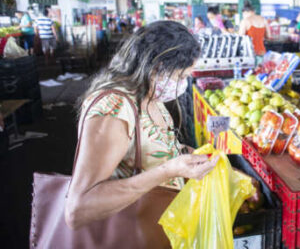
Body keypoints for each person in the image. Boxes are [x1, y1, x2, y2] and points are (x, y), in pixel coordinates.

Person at [65, 21, 219, 229]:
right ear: (156, 67)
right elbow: (79, 209)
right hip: (130, 232)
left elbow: (147, 149)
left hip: (157, 227)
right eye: (181, 76)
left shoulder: (149, 95)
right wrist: (168, 171)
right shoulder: (114, 108)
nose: (183, 83)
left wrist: (183, 154)